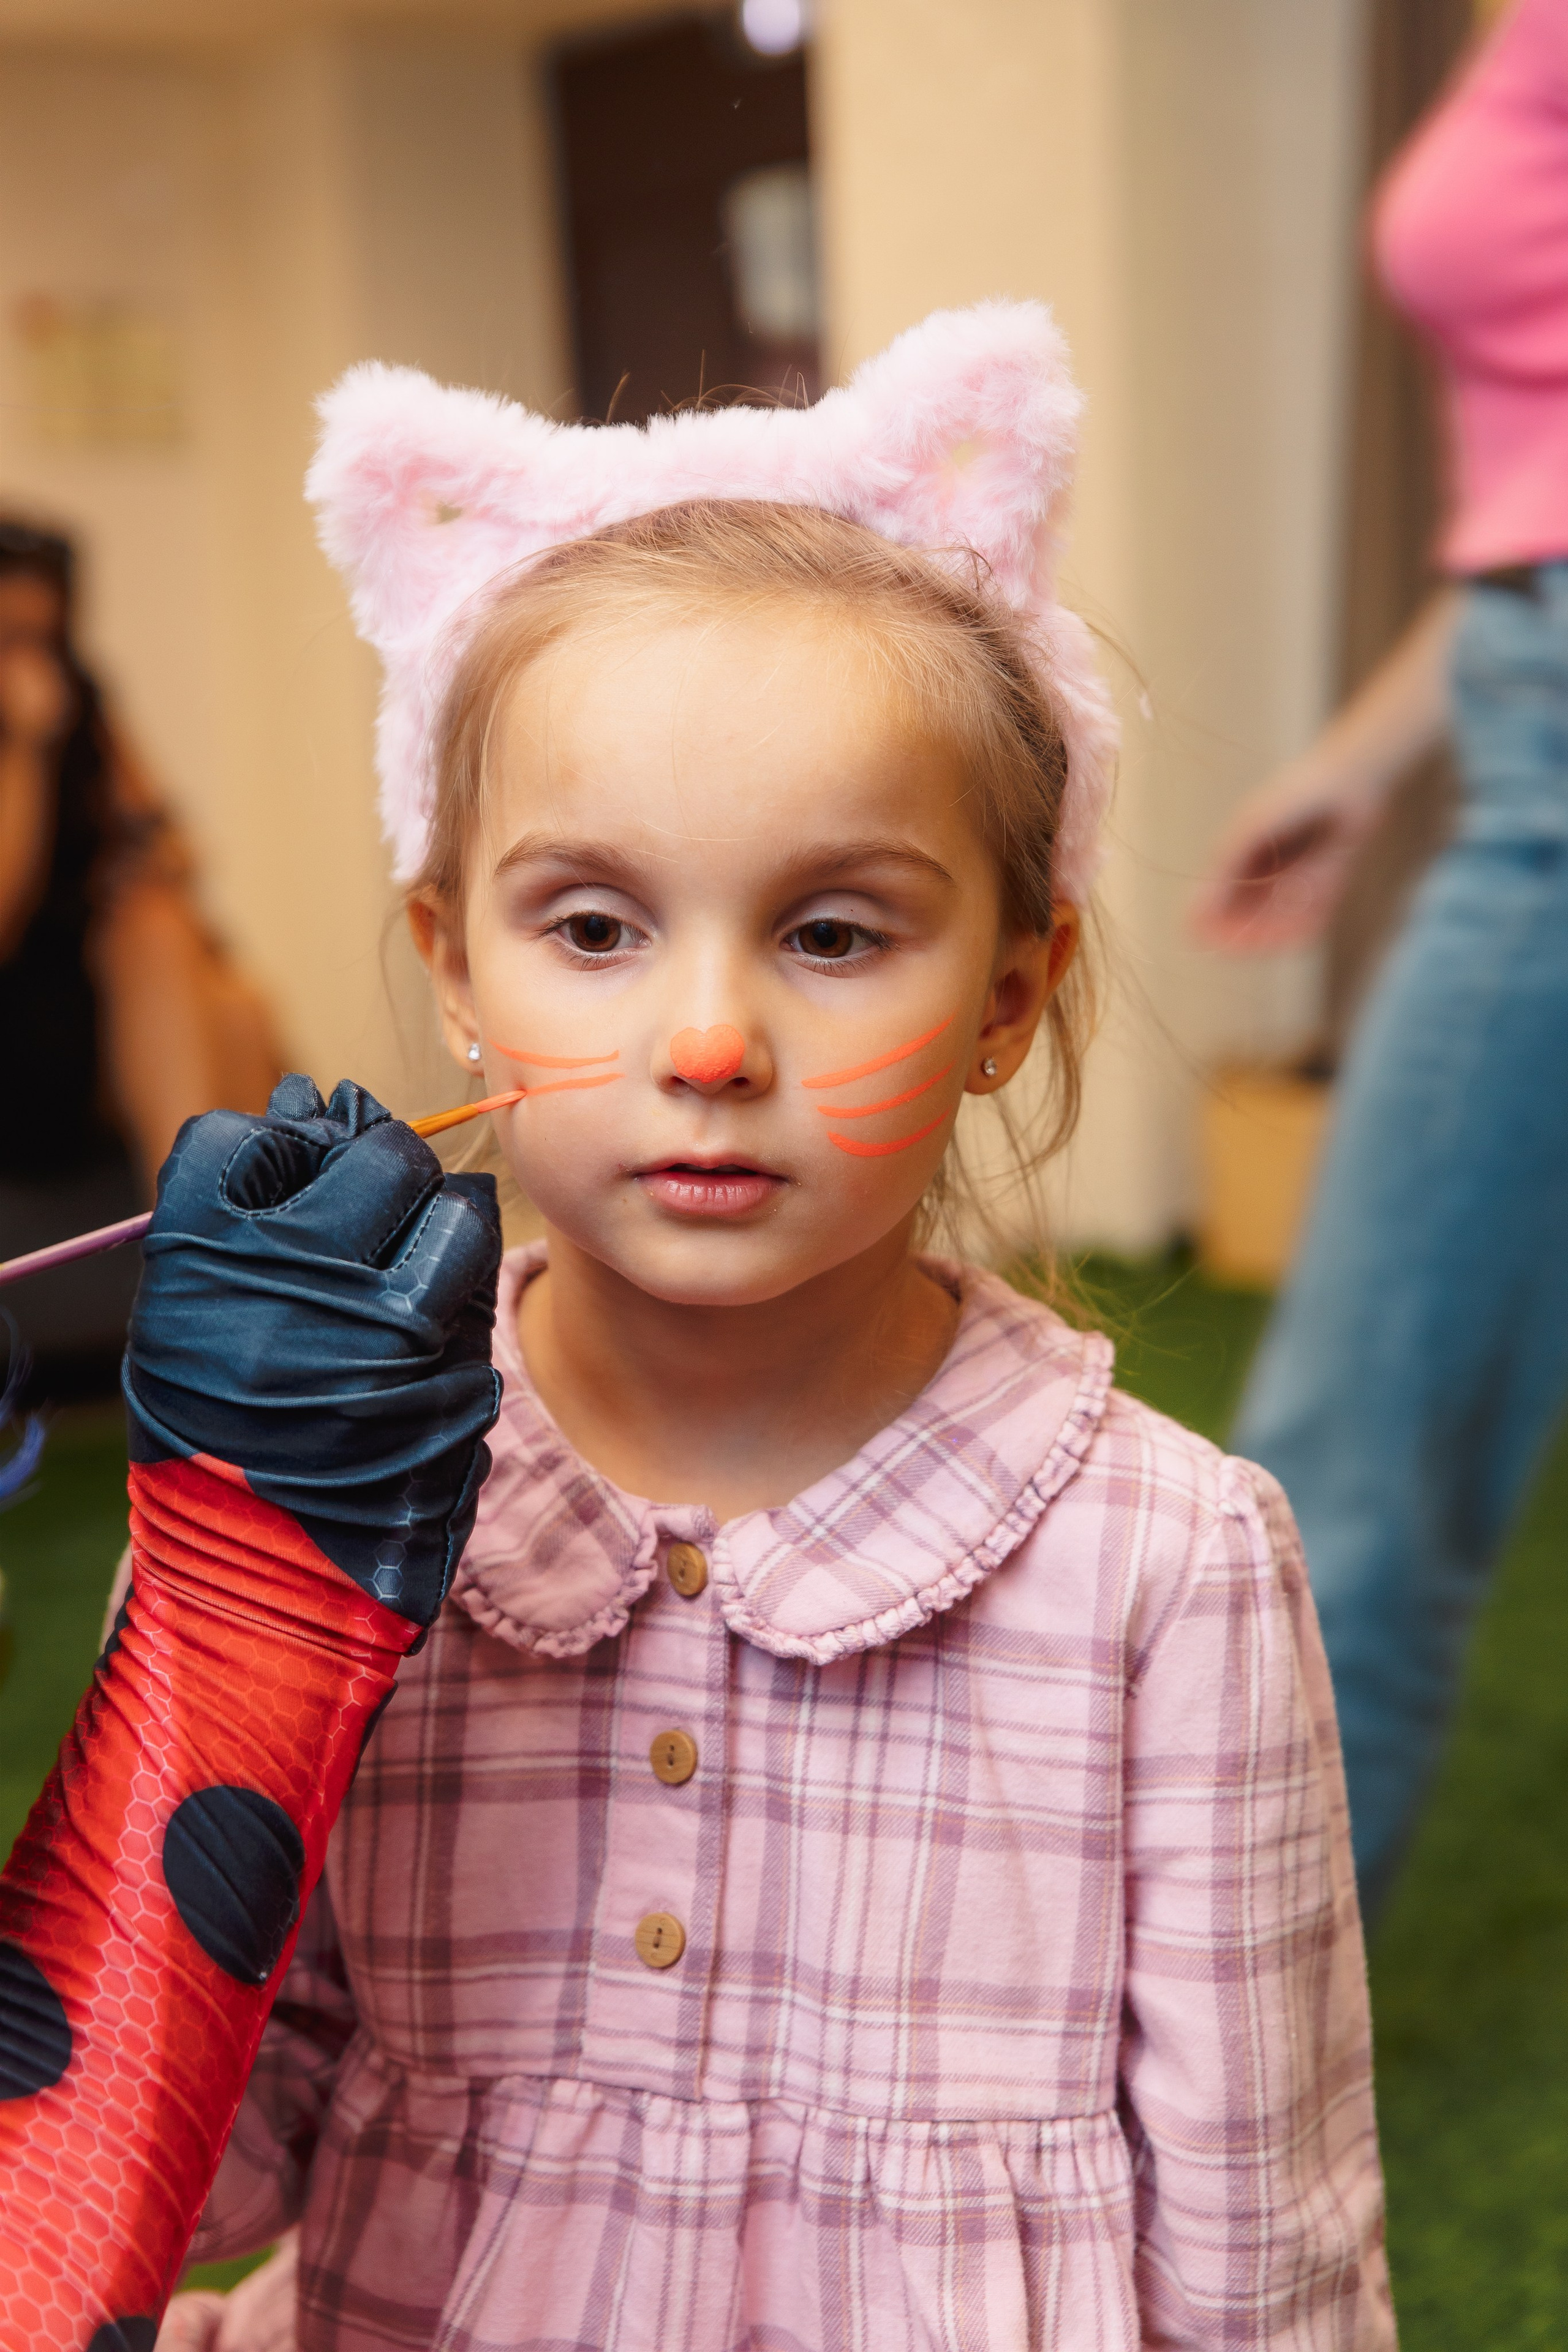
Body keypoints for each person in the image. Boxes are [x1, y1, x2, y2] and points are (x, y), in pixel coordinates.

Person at [156, 307, 1390, 2347]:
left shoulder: (1171, 1570)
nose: (711, 1042)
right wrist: (215, 1610)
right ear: (452, 968)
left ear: (1007, 994)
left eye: (833, 932)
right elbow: (191, 2154)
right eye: (594, 926)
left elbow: (1273, 2258)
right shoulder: (329, 1506)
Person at [1193, 0, 1568, 1922]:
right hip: (1521, 719)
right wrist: (1358, 766)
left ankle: (1183, 2079)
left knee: (1343, 1478)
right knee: (1359, 1449)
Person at [0, 519, 282, 1374]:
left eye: (41, 634)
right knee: (180, 960)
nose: (30, 656)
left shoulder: (80, 692)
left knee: (210, 980)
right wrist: (23, 750)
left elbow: (171, 849)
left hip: (89, 1016)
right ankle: (218, 1277)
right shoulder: (32, 727)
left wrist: (144, 857)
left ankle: (215, 1260)